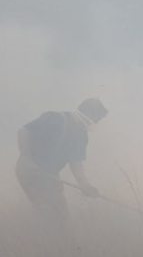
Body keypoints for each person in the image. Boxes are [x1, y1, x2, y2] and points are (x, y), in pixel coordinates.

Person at [15, 98, 108, 229]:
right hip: (30, 171)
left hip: (49, 175)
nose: (97, 122)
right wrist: (26, 158)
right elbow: (24, 131)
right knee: (46, 210)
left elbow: (76, 163)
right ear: (89, 114)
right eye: (97, 118)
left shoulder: (81, 136)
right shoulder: (56, 118)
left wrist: (85, 185)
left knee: (62, 216)